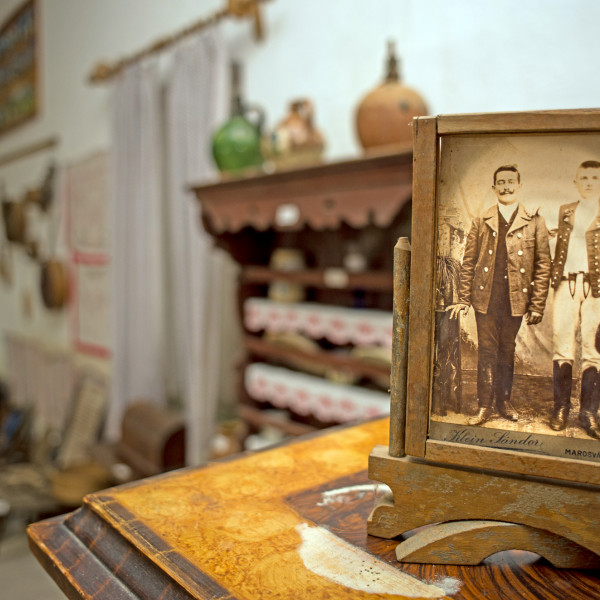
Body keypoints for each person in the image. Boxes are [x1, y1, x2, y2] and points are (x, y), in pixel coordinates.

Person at [448, 165, 551, 426]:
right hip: (486, 298)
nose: (506, 187)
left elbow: (543, 265)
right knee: (486, 351)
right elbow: (468, 262)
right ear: (494, 188)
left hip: (516, 300)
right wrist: (462, 298)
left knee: (507, 349)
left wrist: (537, 304)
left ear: (519, 185)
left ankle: (503, 402)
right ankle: (484, 406)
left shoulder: (534, 221)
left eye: (511, 182)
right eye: (501, 183)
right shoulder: (481, 221)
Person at [549, 160, 600, 439]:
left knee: (594, 351)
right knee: (562, 346)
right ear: (576, 182)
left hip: (597, 288)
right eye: (585, 177)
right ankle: (560, 408)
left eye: (595, 177)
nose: (590, 182)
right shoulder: (566, 211)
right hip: (566, 283)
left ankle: (589, 412)